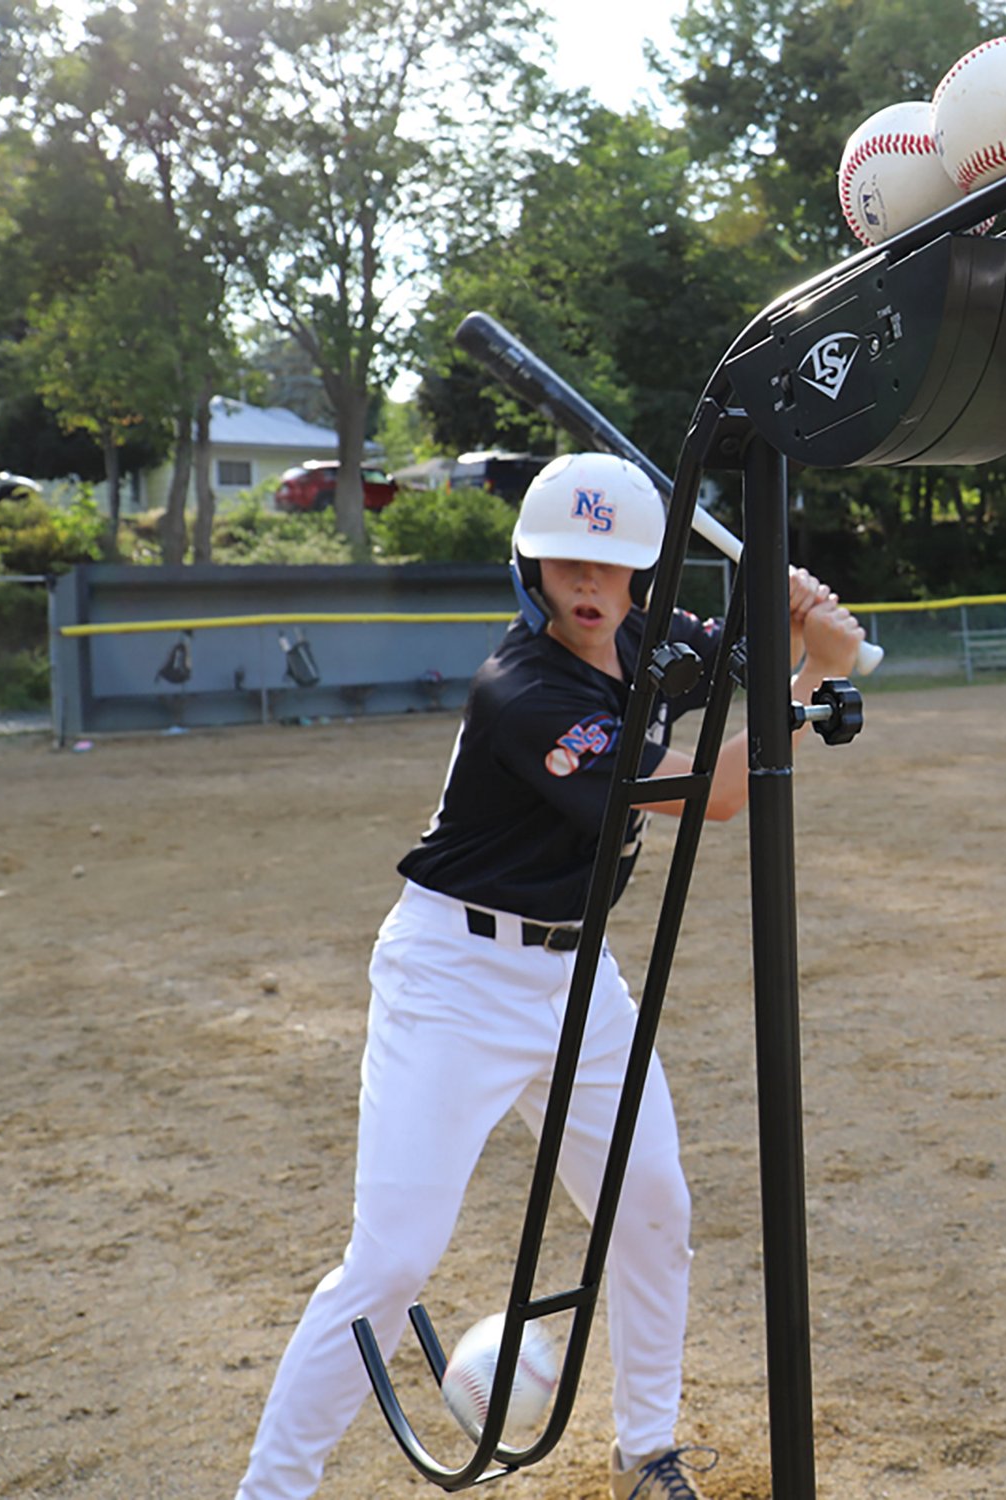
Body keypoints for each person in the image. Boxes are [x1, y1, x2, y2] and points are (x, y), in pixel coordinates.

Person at [234, 452, 866, 1500]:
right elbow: (700, 796)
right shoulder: (522, 690)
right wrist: (808, 683)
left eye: (612, 567)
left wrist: (796, 620)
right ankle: (272, 1490)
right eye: (569, 562)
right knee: (392, 1261)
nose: (589, 585)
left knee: (653, 1203)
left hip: (579, 977)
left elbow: (739, 645)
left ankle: (646, 1450)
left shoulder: (654, 641)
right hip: (454, 977)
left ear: (640, 579)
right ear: (531, 568)